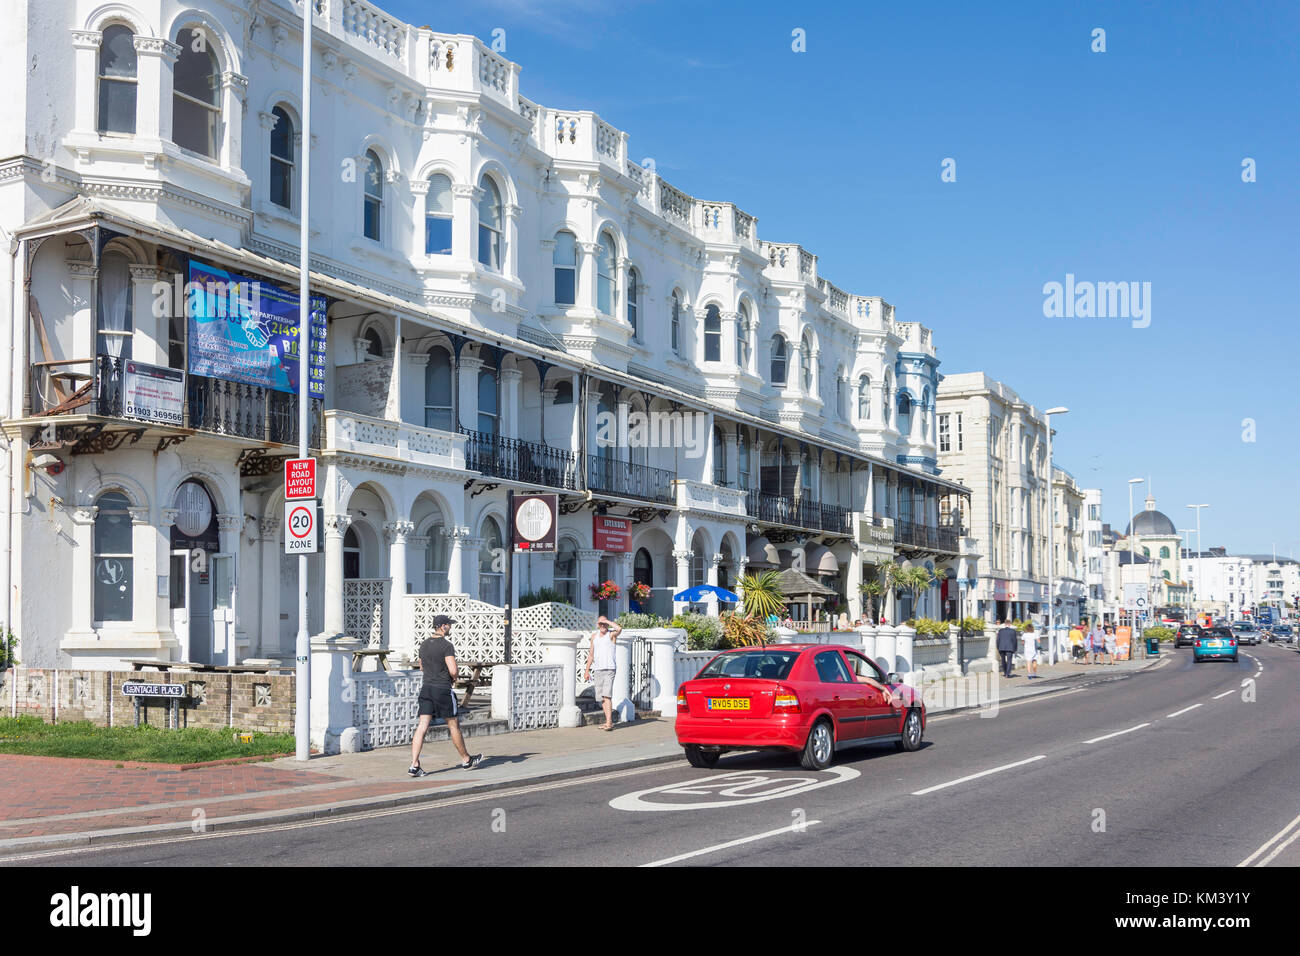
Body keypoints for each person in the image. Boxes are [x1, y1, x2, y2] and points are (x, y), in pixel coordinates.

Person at [409, 614, 482, 776]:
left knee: (422, 726)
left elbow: (421, 667)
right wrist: (453, 678)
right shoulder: (446, 646)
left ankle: (414, 764)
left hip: (426, 688)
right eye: (449, 625)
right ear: (442, 626)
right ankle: (466, 759)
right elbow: (454, 670)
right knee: (453, 724)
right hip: (442, 689)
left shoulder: (424, 644)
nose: (450, 627)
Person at [584, 615, 622, 731]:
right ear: (597, 625)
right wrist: (587, 671)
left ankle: (609, 723)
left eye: (604, 624)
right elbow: (591, 655)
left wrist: (607, 621)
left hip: (609, 669)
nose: (603, 625)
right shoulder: (594, 637)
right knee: (602, 698)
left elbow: (619, 629)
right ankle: (607, 721)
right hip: (598, 669)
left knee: (607, 695)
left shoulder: (611, 635)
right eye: (600, 623)